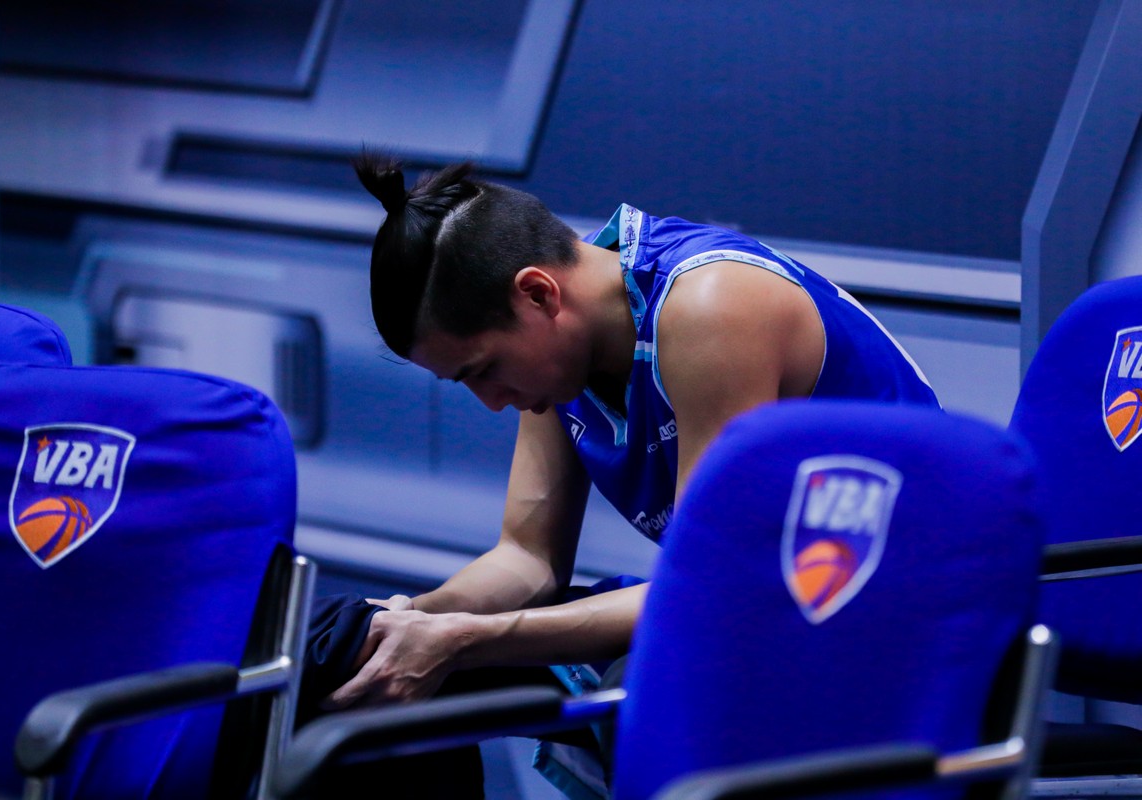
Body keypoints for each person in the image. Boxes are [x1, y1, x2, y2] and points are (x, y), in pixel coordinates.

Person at [321, 152, 938, 776]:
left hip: (883, 611)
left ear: (538, 293)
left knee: (646, 688)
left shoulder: (710, 307)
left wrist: (464, 639)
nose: (491, 403)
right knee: (363, 664)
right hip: (751, 605)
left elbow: (709, 590)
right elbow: (526, 560)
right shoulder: (564, 349)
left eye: (484, 370)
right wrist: (419, 619)